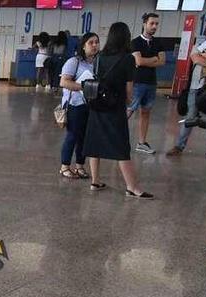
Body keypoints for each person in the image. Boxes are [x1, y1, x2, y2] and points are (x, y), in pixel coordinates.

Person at [83, 22, 153, 199]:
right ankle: (132, 187)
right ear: (126, 37)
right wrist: (128, 102)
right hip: (114, 107)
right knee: (121, 147)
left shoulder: (99, 57)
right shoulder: (128, 59)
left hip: (97, 104)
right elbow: (129, 91)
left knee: (95, 142)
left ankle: (95, 180)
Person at [167, 18, 206, 156]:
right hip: (195, 86)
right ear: (205, 30)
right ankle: (179, 146)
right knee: (190, 116)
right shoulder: (199, 44)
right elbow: (196, 58)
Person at [58, 32, 99, 179]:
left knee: (85, 136)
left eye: (96, 42)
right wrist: (85, 87)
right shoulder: (74, 62)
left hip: (91, 104)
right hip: (75, 104)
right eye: (91, 43)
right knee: (73, 135)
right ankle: (65, 166)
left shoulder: (98, 63)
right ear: (83, 45)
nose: (94, 45)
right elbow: (64, 82)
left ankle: (80, 165)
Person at [129, 13, 165, 155]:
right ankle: (114, 137)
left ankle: (142, 142)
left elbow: (162, 61)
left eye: (156, 24)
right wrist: (154, 59)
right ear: (145, 24)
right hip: (137, 82)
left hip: (151, 82)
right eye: (152, 23)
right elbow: (139, 61)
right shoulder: (135, 42)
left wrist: (147, 60)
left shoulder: (158, 43)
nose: (154, 26)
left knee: (146, 112)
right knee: (130, 109)